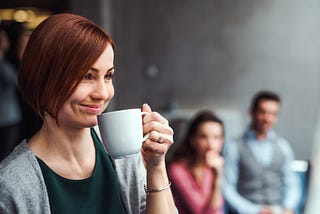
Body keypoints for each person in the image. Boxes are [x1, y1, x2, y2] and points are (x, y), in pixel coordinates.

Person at [0, 13, 176, 214]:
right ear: (44, 79)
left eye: (108, 76)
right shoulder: (11, 186)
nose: (103, 93)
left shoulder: (122, 153)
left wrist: (156, 166)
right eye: (86, 76)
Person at [223, 91, 301, 214]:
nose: (267, 118)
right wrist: (253, 210)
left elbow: (292, 183)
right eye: (262, 112)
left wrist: (288, 207)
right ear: (252, 112)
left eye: (273, 114)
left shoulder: (283, 147)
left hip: (279, 210)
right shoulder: (234, 147)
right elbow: (227, 188)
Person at [168, 110, 225, 213]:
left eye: (216, 137)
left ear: (222, 141)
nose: (210, 145)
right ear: (192, 140)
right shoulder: (177, 170)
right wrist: (217, 179)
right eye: (203, 137)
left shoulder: (214, 167)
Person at [0, 28, 22, 161]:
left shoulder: (10, 58)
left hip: (9, 117)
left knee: (8, 155)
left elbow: (16, 81)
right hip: (7, 116)